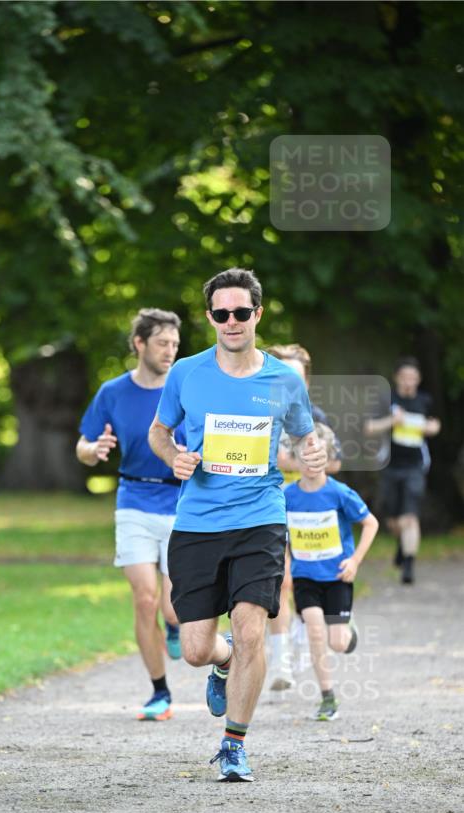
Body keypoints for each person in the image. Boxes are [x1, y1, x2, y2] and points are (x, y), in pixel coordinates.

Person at [148, 267, 327, 782]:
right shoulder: (187, 373)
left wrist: (311, 453)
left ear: (257, 314)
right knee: (195, 650)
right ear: (210, 317)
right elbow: (159, 432)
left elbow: (304, 438)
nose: (232, 321)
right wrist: (175, 458)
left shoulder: (284, 380)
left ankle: (234, 745)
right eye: (221, 313)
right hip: (198, 523)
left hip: (260, 519)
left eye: (241, 312)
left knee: (252, 630)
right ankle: (221, 662)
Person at [76, 308, 184, 721]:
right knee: (144, 598)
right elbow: (83, 446)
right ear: (139, 344)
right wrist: (94, 449)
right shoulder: (113, 392)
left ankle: (174, 625)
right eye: (162, 343)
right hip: (134, 501)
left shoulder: (184, 389)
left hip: (179, 504)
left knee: (172, 608)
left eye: (175, 344)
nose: (170, 351)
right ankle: (160, 692)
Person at [284, 423, 379, 720]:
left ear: (328, 458)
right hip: (305, 577)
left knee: (337, 642)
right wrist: (285, 566)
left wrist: (355, 561)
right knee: (315, 630)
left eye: (318, 457)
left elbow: (371, 523)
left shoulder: (339, 493)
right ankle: (328, 698)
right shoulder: (287, 496)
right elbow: (281, 536)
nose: (311, 463)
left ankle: (349, 632)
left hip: (338, 576)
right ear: (294, 459)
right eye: (305, 457)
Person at [264, 344, 342, 692]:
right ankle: (281, 661)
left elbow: (336, 462)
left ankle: (299, 631)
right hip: (269, 505)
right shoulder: (260, 412)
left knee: (303, 580)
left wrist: (301, 462)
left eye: (295, 377)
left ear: (306, 381)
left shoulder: (317, 416)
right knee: (280, 580)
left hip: (309, 512)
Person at [365, 357, 441, 583]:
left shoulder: (425, 400)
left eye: (413, 378)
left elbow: (435, 425)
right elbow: (369, 427)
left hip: (415, 466)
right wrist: (391, 421)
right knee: (393, 520)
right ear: (397, 378)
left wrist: (431, 428)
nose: (409, 382)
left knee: (410, 516)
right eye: (405, 377)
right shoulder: (386, 399)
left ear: (418, 379)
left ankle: (408, 566)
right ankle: (402, 543)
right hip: (389, 466)